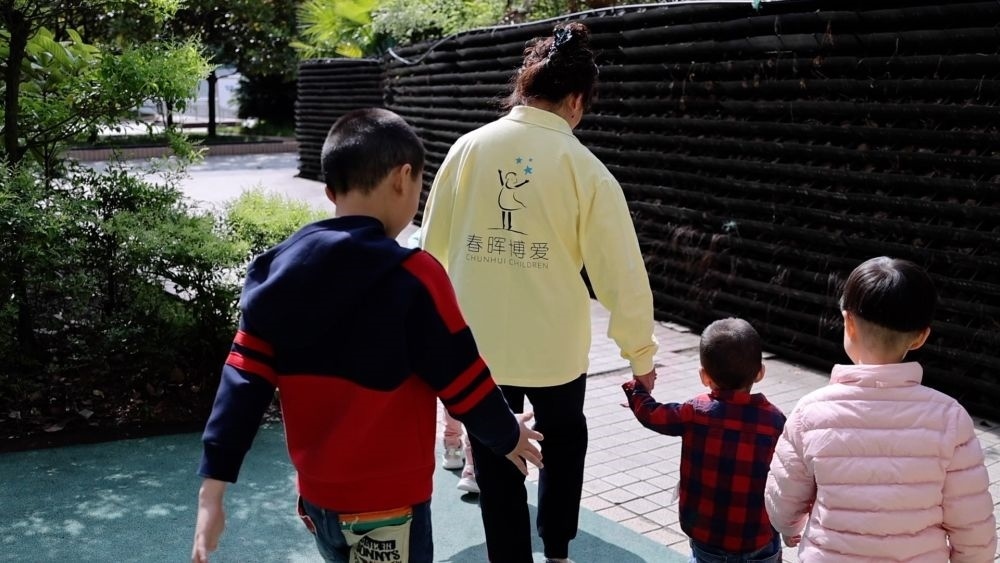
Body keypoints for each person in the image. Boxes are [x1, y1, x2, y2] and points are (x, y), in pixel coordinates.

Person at [190, 108, 543, 563]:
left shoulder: (275, 271)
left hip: (318, 500)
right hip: (390, 503)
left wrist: (212, 490)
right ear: (402, 178)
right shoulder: (415, 277)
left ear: (330, 191)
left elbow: (241, 384)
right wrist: (506, 433)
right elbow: (462, 378)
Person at [420, 22, 658, 563]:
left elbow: (430, 252)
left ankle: (509, 556)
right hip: (555, 349)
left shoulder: (467, 149)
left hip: (478, 348)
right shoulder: (586, 169)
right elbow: (620, 274)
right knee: (563, 443)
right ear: (576, 100)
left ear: (524, 88)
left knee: (496, 450)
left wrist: (429, 339)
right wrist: (640, 354)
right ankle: (557, 551)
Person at [765, 256, 997, 561]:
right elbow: (972, 522)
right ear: (921, 337)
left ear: (848, 323)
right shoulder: (949, 418)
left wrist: (790, 527)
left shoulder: (810, 412)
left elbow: (783, 497)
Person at [622, 318, 786, 563]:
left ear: (704, 376)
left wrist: (638, 390)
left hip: (707, 537)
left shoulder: (695, 412)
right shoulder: (775, 421)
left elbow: (653, 415)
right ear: (760, 373)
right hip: (758, 538)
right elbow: (791, 475)